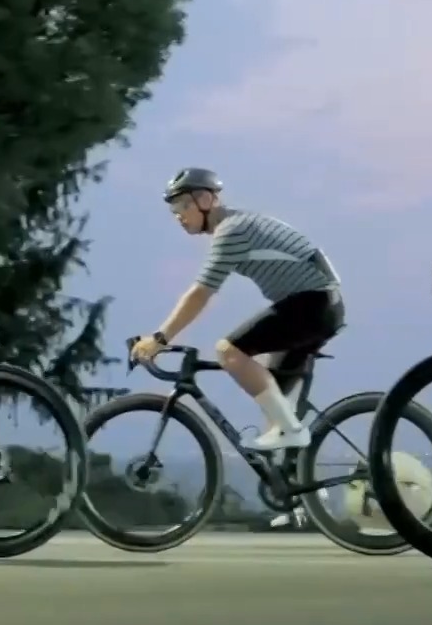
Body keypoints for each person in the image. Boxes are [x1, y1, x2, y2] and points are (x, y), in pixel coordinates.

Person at [132, 168, 347, 451]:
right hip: (319, 305)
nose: (178, 216)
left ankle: (291, 432)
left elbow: (200, 293)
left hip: (312, 304)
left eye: (183, 206)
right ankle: (294, 469)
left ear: (205, 200)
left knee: (228, 352)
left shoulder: (231, 231)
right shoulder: (238, 223)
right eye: (174, 210)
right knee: (274, 408)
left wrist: (160, 338)